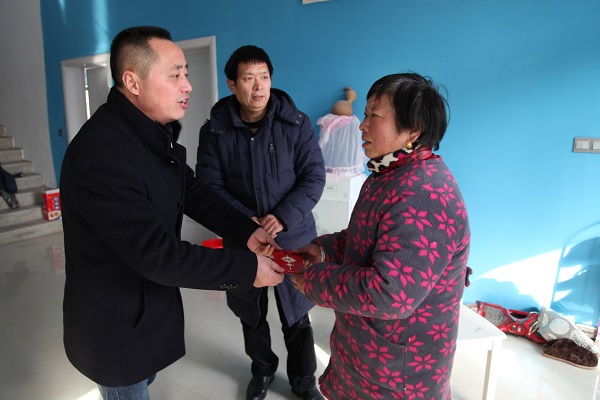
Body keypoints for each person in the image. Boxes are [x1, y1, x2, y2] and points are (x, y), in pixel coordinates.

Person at [60, 26, 285, 400]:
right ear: (133, 82)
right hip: (115, 324)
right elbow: (157, 255)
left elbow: (191, 190)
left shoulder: (147, 133)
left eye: (187, 73)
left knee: (144, 377)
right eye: (175, 75)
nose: (188, 86)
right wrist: (247, 270)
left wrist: (245, 230)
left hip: (146, 306)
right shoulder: (102, 153)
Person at [292, 73, 471, 400]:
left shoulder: (424, 193)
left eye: (374, 115)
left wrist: (314, 279)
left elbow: (392, 293)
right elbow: (366, 238)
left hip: (398, 374)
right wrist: (323, 250)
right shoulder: (389, 174)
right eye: (365, 113)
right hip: (368, 353)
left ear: (413, 131)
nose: (362, 125)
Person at [195, 45, 326, 400]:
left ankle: (304, 380)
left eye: (264, 77)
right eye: (249, 78)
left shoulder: (295, 124)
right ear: (232, 84)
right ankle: (263, 369)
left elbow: (314, 176)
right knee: (249, 312)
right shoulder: (215, 131)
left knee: (297, 312)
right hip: (243, 240)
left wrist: (282, 216)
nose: (258, 87)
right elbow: (208, 186)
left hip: (292, 235)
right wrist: (245, 221)